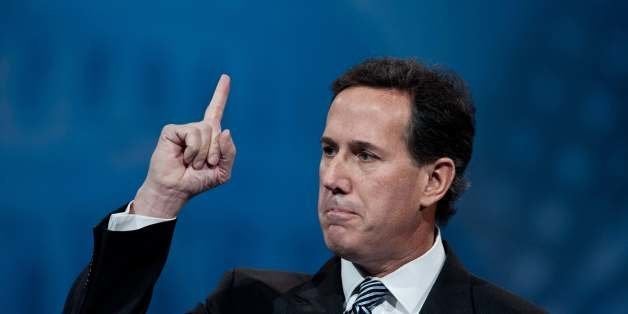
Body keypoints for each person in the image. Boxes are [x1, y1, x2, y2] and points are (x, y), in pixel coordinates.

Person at [64, 58, 545, 313]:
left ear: (434, 180)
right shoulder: (247, 304)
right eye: (329, 150)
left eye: (365, 155)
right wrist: (159, 198)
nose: (333, 178)